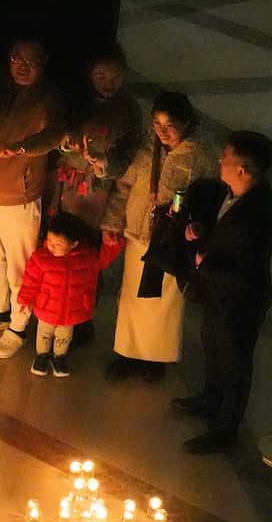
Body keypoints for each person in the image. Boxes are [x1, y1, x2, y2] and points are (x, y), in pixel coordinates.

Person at [0, 38, 68, 359]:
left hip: (20, 196)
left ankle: (18, 327)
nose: (23, 66)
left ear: (44, 62)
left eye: (31, 60)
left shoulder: (50, 98)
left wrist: (21, 148)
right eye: (16, 58)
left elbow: (55, 135)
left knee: (20, 268)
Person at [102, 92, 216, 381]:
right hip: (139, 233)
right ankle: (126, 352)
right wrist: (113, 220)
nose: (162, 132)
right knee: (132, 297)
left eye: (170, 125)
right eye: (156, 124)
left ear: (187, 123)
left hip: (171, 240)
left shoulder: (200, 157)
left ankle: (156, 358)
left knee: (165, 302)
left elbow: (209, 200)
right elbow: (124, 187)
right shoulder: (146, 148)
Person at [173, 132, 272, 453]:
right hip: (216, 294)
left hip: (239, 301)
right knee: (212, 345)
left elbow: (249, 268)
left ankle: (224, 430)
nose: (220, 161)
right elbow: (224, 237)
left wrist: (206, 262)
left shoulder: (260, 212)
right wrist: (203, 234)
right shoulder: (230, 194)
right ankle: (209, 398)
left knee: (235, 363)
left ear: (242, 169)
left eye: (226, 157)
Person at [16, 213, 124, 378]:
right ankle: (42, 356)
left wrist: (114, 244)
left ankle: (59, 358)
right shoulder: (41, 257)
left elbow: (105, 257)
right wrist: (25, 299)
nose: (51, 246)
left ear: (74, 244)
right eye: (50, 241)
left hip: (72, 310)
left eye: (58, 244)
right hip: (47, 307)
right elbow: (31, 280)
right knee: (44, 333)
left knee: (64, 336)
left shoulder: (88, 258)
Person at [52, 44, 143, 230]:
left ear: (124, 75)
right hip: (67, 179)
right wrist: (69, 141)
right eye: (101, 76)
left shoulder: (128, 109)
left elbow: (128, 153)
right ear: (90, 75)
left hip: (99, 185)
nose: (108, 82)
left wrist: (104, 163)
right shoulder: (75, 102)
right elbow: (53, 135)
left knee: (84, 232)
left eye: (115, 76)